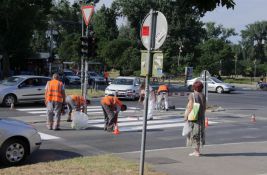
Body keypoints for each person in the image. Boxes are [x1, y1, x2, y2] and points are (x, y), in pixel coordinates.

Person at [184, 80, 206, 157]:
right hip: (201, 116)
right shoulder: (203, 95)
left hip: (194, 116)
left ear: (194, 87)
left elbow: (190, 106)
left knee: (194, 133)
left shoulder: (192, 95)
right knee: (199, 133)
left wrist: (186, 116)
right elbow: (204, 107)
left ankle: (196, 152)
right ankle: (197, 150)